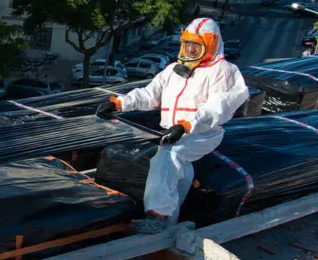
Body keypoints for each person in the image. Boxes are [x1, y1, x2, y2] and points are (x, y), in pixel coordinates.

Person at [98, 18, 249, 234]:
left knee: (167, 158)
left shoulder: (223, 71)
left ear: (211, 45)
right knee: (179, 173)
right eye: (188, 45)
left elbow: (217, 107)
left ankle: (158, 218)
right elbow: (149, 94)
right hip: (174, 131)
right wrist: (118, 103)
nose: (191, 51)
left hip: (202, 134)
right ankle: (172, 221)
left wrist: (186, 126)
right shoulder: (173, 71)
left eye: (197, 46)